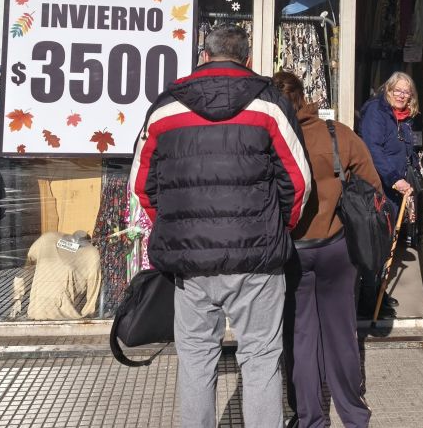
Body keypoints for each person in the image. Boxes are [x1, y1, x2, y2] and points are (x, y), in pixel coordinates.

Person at [130, 25, 311, 428]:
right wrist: (279, 228)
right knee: (261, 359)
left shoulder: (165, 108)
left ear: (204, 56)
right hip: (258, 262)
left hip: (191, 266)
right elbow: (298, 183)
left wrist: (176, 232)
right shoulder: (270, 104)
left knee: (195, 359)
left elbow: (142, 186)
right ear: (247, 59)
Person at [272, 71, 379, 428]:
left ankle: (310, 419)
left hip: (292, 251)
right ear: (304, 97)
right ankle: (354, 415)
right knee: (342, 335)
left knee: (302, 339)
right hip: (336, 248)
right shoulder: (338, 134)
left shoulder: (271, 139)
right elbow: (371, 188)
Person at [358, 71, 422, 317]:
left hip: (396, 189)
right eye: (397, 90)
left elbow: (405, 152)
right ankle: (369, 299)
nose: (402, 95)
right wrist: (395, 179)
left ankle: (378, 293)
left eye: (406, 92)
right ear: (388, 89)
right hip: (380, 187)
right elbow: (373, 150)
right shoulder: (377, 112)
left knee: (387, 244)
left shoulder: (404, 118)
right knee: (377, 244)